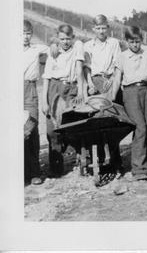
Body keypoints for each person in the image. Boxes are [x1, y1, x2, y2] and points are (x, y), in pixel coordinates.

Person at [111, 26, 147, 181]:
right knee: (140, 128)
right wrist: (113, 98)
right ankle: (138, 169)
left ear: (142, 40)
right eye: (132, 42)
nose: (135, 45)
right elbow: (117, 78)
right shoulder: (122, 57)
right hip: (130, 93)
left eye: (138, 42)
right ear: (127, 41)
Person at [41, 24, 86, 176]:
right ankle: (56, 169)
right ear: (57, 38)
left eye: (68, 38)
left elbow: (79, 71)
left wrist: (80, 91)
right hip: (55, 88)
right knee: (52, 129)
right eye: (62, 39)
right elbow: (46, 77)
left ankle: (81, 162)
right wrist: (44, 101)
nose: (65, 42)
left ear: (72, 38)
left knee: (74, 124)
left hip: (71, 88)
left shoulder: (77, 47)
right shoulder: (53, 51)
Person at [83, 14, 123, 173]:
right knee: (96, 121)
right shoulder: (88, 45)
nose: (101, 31)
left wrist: (113, 79)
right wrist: (90, 84)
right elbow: (86, 67)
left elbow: (117, 63)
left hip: (110, 81)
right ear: (93, 29)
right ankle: (99, 159)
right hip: (95, 81)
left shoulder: (113, 43)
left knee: (112, 121)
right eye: (98, 28)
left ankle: (115, 160)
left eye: (103, 28)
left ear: (108, 28)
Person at [23, 20, 49, 185]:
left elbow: (54, 48)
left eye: (28, 33)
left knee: (30, 129)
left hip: (30, 89)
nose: (25, 37)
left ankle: (34, 172)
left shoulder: (36, 49)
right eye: (22, 33)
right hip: (10, 89)